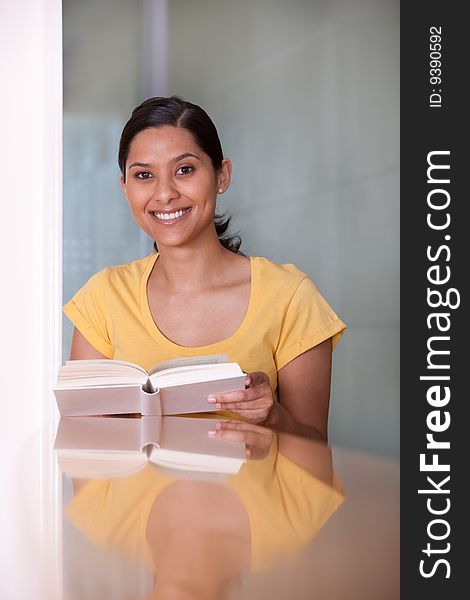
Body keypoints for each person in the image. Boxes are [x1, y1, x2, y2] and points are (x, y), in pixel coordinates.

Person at [65, 95, 346, 441]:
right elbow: (82, 449)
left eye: (184, 170)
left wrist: (274, 418)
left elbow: (315, 451)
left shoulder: (290, 296)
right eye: (144, 175)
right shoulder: (103, 299)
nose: (165, 194)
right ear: (125, 187)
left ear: (221, 175)